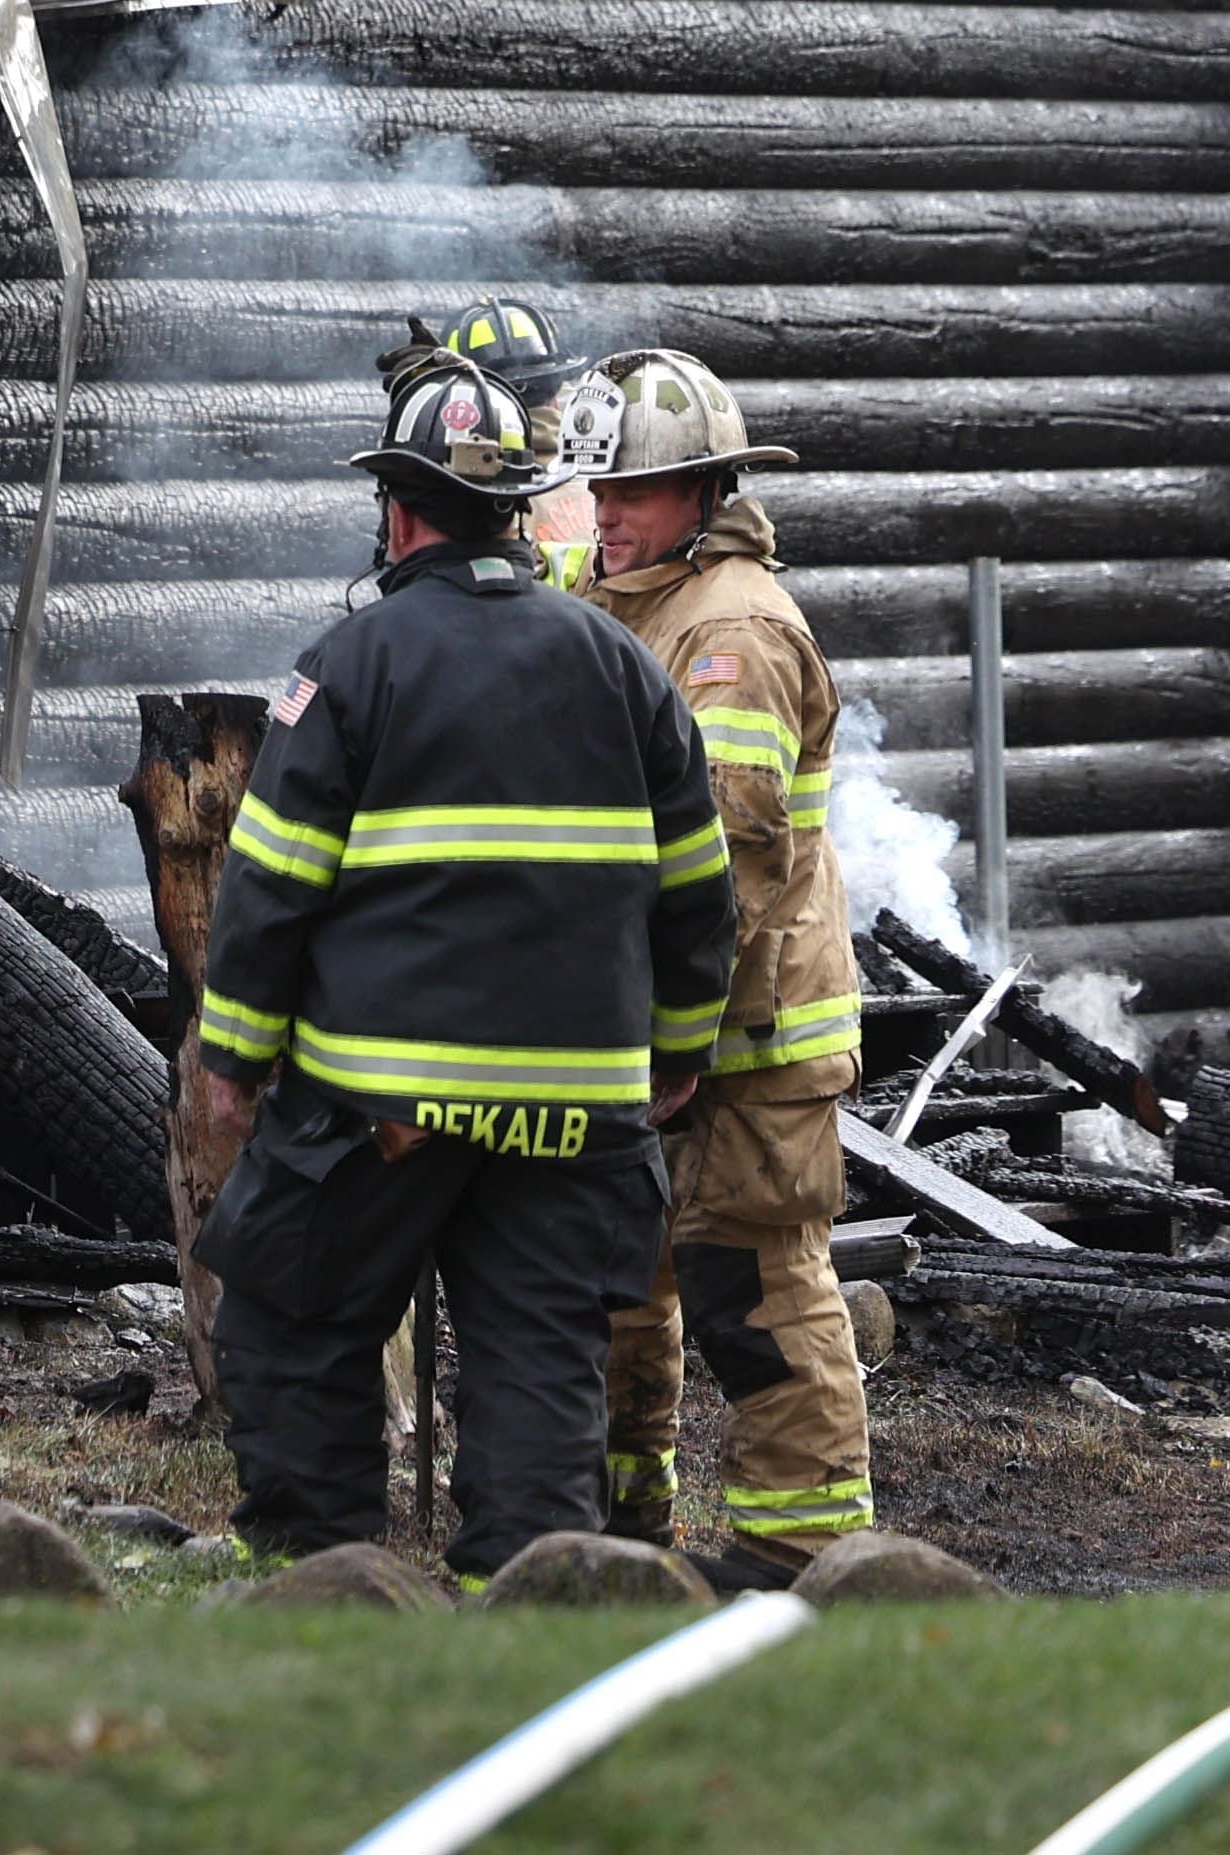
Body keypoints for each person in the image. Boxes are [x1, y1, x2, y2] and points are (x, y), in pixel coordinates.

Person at [185, 356, 738, 1580]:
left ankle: (326, 1586)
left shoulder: (347, 666)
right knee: (538, 1356)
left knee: (290, 1321)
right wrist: (677, 1055)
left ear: (398, 510)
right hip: (578, 1110)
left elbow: (266, 887)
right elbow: (702, 896)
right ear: (515, 511)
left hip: (381, 1106)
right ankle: (527, 1607)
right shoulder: (628, 670)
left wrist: (231, 1057)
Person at [548, 348, 875, 1588]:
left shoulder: (730, 628)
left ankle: (802, 1549)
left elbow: (722, 859)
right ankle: (623, 1528)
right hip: (650, 1024)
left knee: (754, 1285)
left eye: (628, 493)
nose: (604, 516)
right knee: (620, 1279)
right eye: (596, 492)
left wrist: (671, 1036)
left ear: (700, 490)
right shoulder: (625, 596)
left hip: (743, 1034)